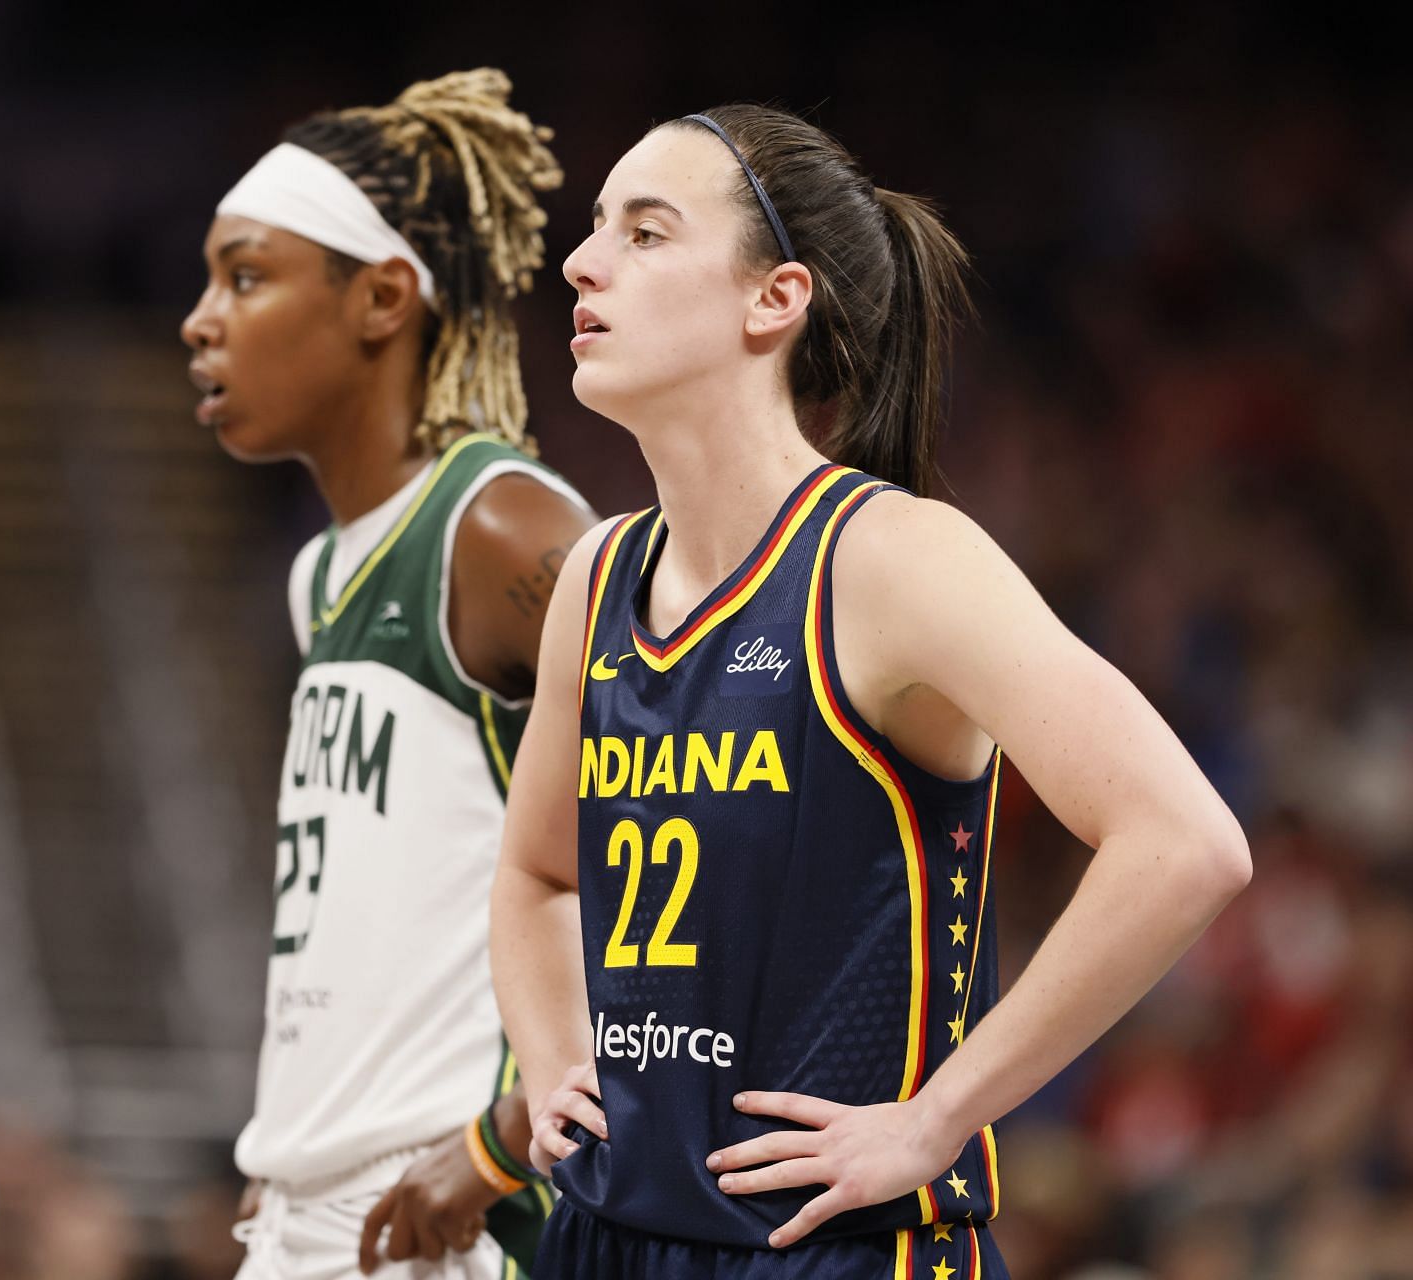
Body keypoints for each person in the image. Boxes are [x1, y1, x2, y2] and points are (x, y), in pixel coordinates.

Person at [488, 104, 1252, 1279]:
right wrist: (550, 1058)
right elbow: (538, 870)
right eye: (595, 228)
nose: (582, 263)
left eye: (645, 233)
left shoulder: (891, 559)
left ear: (774, 299)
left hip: (824, 1246)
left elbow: (1187, 840)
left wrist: (938, 1117)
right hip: (609, 1230)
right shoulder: (595, 575)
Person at [180, 69, 598, 1279]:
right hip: (316, 1206)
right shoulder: (319, 579)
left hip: (456, 1209)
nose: (201, 318)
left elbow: (689, 834)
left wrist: (508, 1138)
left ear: (381, 297)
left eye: (245, 276)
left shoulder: (504, 529)